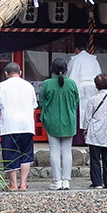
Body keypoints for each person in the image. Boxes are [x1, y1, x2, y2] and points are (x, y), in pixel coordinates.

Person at [0, 62, 37, 191]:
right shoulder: (29, 86)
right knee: (26, 154)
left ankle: (13, 184)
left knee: (10, 154)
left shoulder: (1, 87)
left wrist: (2, 119)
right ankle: (23, 183)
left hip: (9, 125)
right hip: (27, 125)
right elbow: (34, 106)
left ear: (6, 73)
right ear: (20, 72)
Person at [38, 57, 79, 190]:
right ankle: (66, 181)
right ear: (66, 69)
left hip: (52, 121)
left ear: (52, 69)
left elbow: (42, 102)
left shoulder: (47, 84)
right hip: (69, 121)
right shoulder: (72, 84)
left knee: (54, 151)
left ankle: (57, 181)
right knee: (67, 151)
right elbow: (76, 102)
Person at [84, 74, 107, 189]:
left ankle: (97, 182)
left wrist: (85, 130)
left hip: (95, 132)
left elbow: (87, 117)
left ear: (96, 86)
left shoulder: (93, 99)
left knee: (95, 159)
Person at [67, 36, 102, 146]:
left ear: (76, 49)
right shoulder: (94, 60)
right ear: (86, 48)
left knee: (80, 114)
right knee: (92, 113)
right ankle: (92, 137)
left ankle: (79, 139)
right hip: (93, 88)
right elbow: (99, 75)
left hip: (79, 88)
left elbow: (70, 77)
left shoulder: (74, 60)